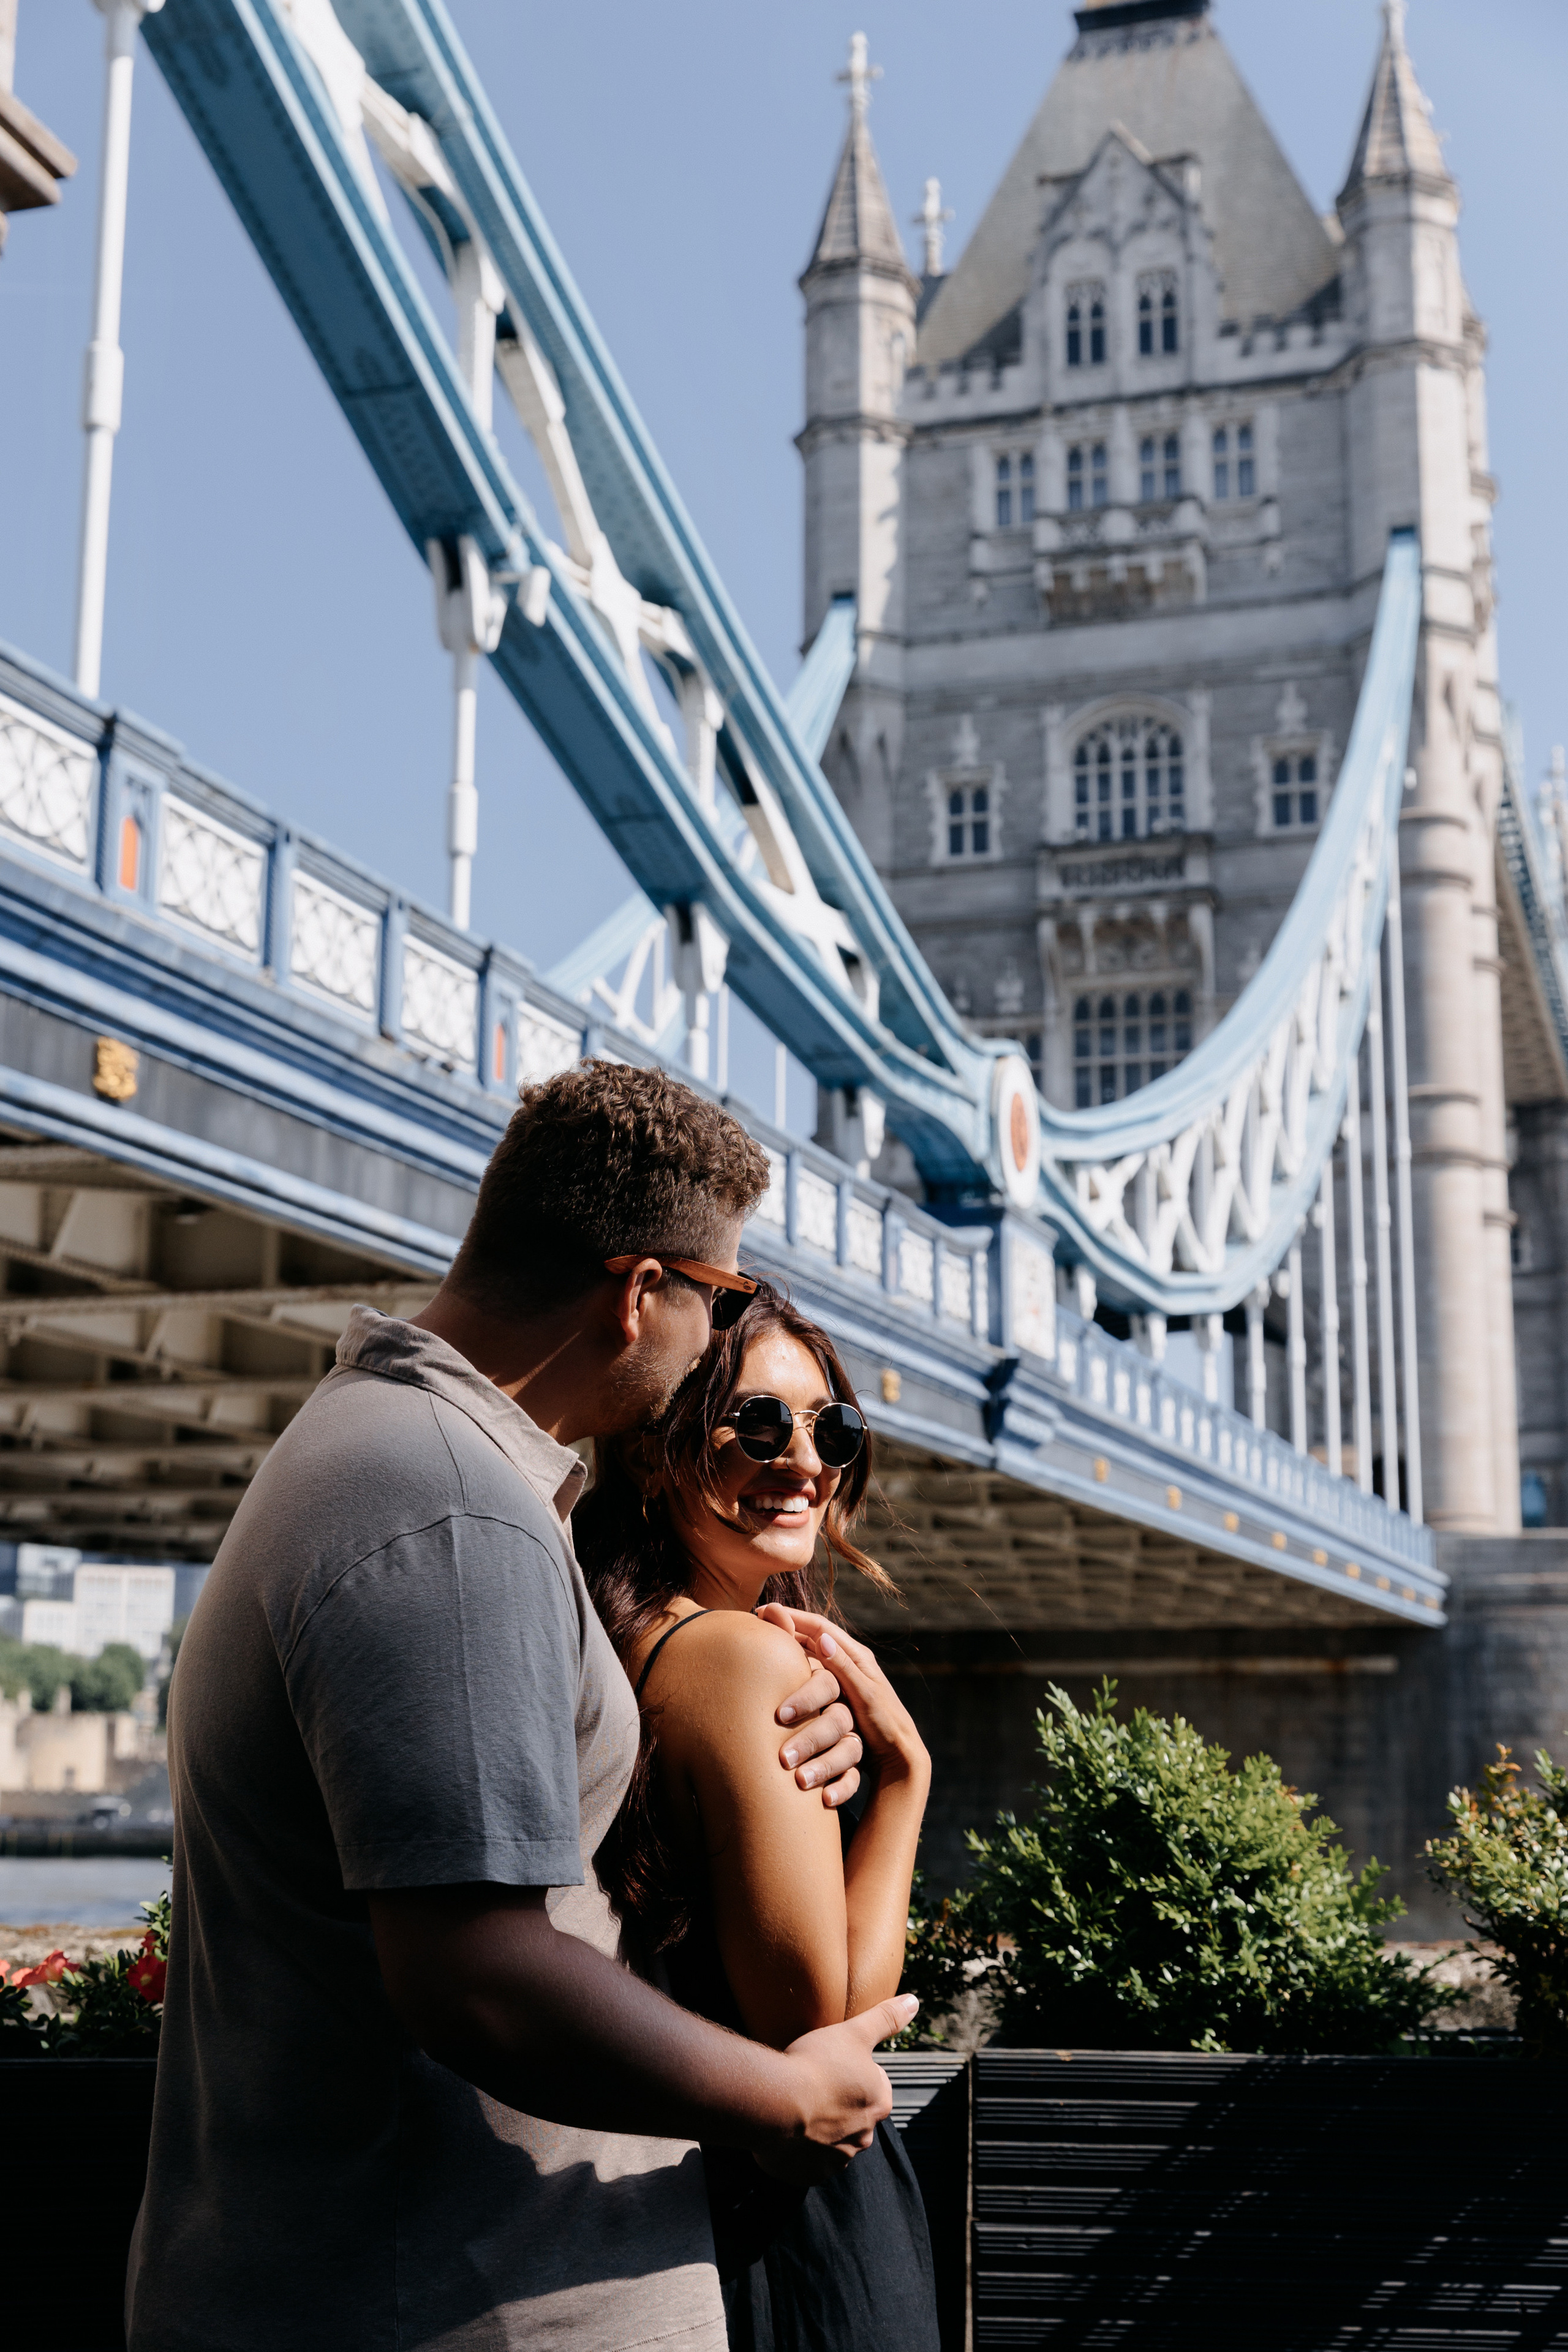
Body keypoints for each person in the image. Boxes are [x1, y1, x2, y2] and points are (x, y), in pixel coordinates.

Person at [127, 1062, 916, 2352]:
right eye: (715, 1302)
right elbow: (474, 1970)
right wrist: (781, 2099)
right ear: (637, 1292)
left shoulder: (391, 1459)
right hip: (446, 2300)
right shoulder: (447, 1511)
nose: (716, 1343)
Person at [578, 1286, 940, 2350]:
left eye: (832, 1427)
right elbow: (822, 2015)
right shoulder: (741, 1660)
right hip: (788, 2218)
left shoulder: (627, 1648)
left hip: (679, 2197)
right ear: (651, 1454)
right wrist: (908, 1780)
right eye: (759, 1424)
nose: (806, 1461)